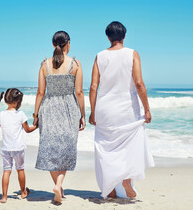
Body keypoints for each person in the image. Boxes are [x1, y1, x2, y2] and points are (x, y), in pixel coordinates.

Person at [89, 21, 155, 199]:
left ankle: (109, 189)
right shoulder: (132, 54)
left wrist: (93, 112)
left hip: (105, 109)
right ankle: (126, 179)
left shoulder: (100, 56)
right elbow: (139, 83)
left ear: (108, 37)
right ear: (124, 36)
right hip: (127, 107)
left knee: (105, 148)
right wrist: (147, 109)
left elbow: (94, 86)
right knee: (129, 146)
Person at [33, 31, 86, 204]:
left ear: (53, 44)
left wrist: (35, 115)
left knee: (50, 149)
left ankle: (57, 186)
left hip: (48, 108)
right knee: (66, 149)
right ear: (68, 43)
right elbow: (78, 92)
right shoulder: (75, 64)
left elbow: (40, 92)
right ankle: (59, 184)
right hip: (69, 109)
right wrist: (83, 115)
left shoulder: (44, 64)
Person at [0, 88, 37, 203]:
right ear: (17, 102)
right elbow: (27, 130)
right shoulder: (20, 114)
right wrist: (37, 126)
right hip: (18, 148)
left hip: (6, 149)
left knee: (6, 171)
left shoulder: (2, 114)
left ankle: (4, 197)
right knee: (20, 169)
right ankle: (23, 192)